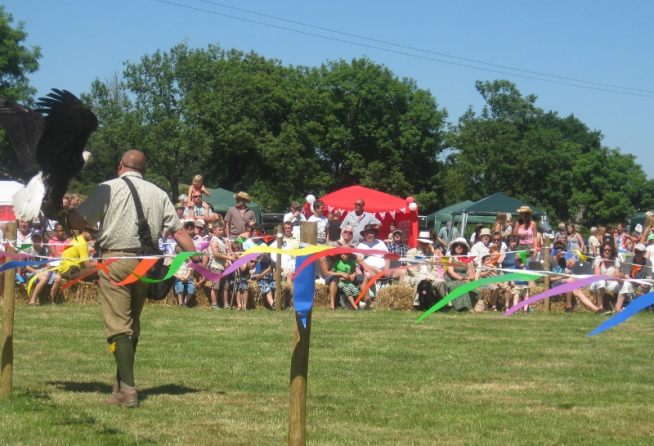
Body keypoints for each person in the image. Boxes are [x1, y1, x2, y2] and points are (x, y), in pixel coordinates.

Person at [65, 149, 198, 408]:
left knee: (119, 327)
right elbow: (179, 232)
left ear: (120, 166)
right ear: (143, 170)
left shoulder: (107, 188)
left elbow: (79, 222)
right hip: (146, 265)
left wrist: (63, 214)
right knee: (132, 325)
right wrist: (196, 257)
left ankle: (128, 390)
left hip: (115, 262)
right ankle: (119, 386)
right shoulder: (159, 193)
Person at [614, 243, 652, 313]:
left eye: (639, 252)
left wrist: (646, 283)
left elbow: (650, 276)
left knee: (648, 287)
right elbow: (627, 276)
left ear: (644, 253)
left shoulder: (648, 262)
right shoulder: (629, 260)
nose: (637, 254)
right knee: (626, 284)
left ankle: (642, 309)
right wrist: (639, 283)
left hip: (642, 285)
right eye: (636, 251)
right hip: (631, 283)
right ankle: (618, 308)